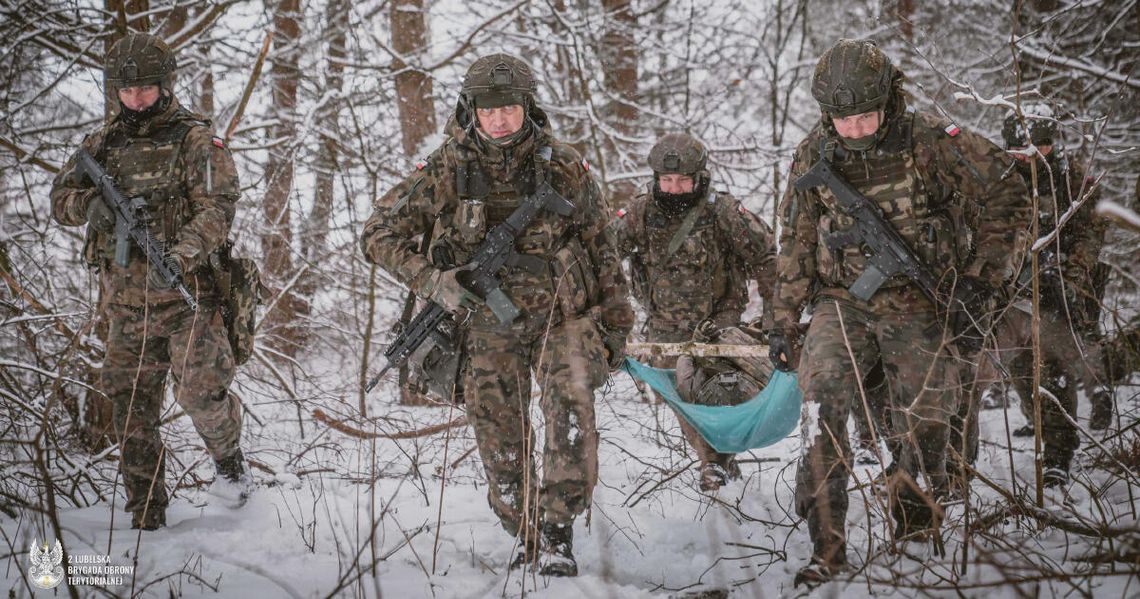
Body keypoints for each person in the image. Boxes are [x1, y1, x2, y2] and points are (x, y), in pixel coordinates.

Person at [359, 53, 633, 577]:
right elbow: (377, 233)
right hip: (487, 323)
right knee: (497, 429)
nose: (500, 119)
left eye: (509, 107)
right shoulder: (448, 166)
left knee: (569, 408)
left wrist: (616, 325)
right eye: (488, 110)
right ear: (472, 110)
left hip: (562, 316)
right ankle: (525, 529)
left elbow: (602, 247)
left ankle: (557, 531)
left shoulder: (564, 165)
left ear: (526, 106)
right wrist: (433, 281)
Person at [769, 39, 1029, 587]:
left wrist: (981, 279)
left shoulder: (930, 140)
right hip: (843, 300)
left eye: (865, 116)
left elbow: (1008, 190)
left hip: (920, 301)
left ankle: (914, 533)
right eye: (843, 120)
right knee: (821, 405)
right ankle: (826, 547)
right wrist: (784, 318)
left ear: (888, 100)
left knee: (925, 418)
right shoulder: (813, 153)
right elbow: (795, 240)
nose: (855, 129)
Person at [50, 32, 250, 531]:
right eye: (127, 90)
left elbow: (217, 209)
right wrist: (89, 205)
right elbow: (60, 199)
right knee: (131, 412)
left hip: (188, 298)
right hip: (126, 306)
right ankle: (146, 516)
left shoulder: (195, 140)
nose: (136, 99)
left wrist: (181, 255)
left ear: (165, 84)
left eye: (145, 88)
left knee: (201, 394)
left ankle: (229, 462)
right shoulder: (100, 145)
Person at [614, 132, 775, 491]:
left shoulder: (723, 211)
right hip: (665, 327)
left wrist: (777, 316)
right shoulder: (640, 213)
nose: (674, 189)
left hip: (719, 323)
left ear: (699, 177)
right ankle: (715, 461)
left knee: (715, 392)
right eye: (667, 180)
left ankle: (715, 463)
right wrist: (610, 312)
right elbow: (603, 255)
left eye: (683, 180)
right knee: (684, 399)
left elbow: (766, 256)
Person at [963, 111, 1108, 478]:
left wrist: (1070, 274)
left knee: (1054, 370)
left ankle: (1059, 453)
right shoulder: (994, 176)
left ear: (1050, 145)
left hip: (1057, 291)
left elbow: (1090, 233)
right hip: (1010, 293)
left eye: (1037, 148)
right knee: (1020, 370)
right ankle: (1029, 428)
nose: (1027, 156)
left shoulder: (1070, 180)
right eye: (1018, 150)